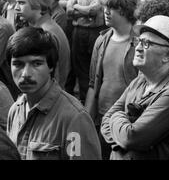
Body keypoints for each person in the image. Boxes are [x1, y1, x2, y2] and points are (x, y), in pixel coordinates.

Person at [101, 16, 169, 160]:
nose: (138, 48)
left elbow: (132, 137)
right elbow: (105, 122)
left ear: (167, 55)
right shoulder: (140, 81)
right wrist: (122, 137)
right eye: (138, 41)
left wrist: (118, 118)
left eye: (146, 43)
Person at [6, 27, 101, 160]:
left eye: (36, 63)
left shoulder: (74, 118)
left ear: (50, 66)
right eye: (18, 64)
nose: (26, 74)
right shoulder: (15, 111)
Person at [85, 0, 140, 160]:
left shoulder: (140, 43)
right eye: (105, 6)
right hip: (101, 117)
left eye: (113, 7)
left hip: (127, 120)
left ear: (126, 10)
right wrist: (86, 118)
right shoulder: (101, 40)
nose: (106, 11)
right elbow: (93, 84)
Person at [12, 0, 71, 88]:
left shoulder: (47, 33)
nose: (16, 8)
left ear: (37, 3)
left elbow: (54, 80)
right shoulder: (41, 27)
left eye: (21, 3)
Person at [66, 0, 106, 103]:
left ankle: (94, 101)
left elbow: (93, 11)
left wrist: (77, 7)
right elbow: (69, 10)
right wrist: (82, 10)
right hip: (78, 31)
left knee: (93, 67)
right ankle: (84, 100)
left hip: (93, 32)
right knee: (79, 66)